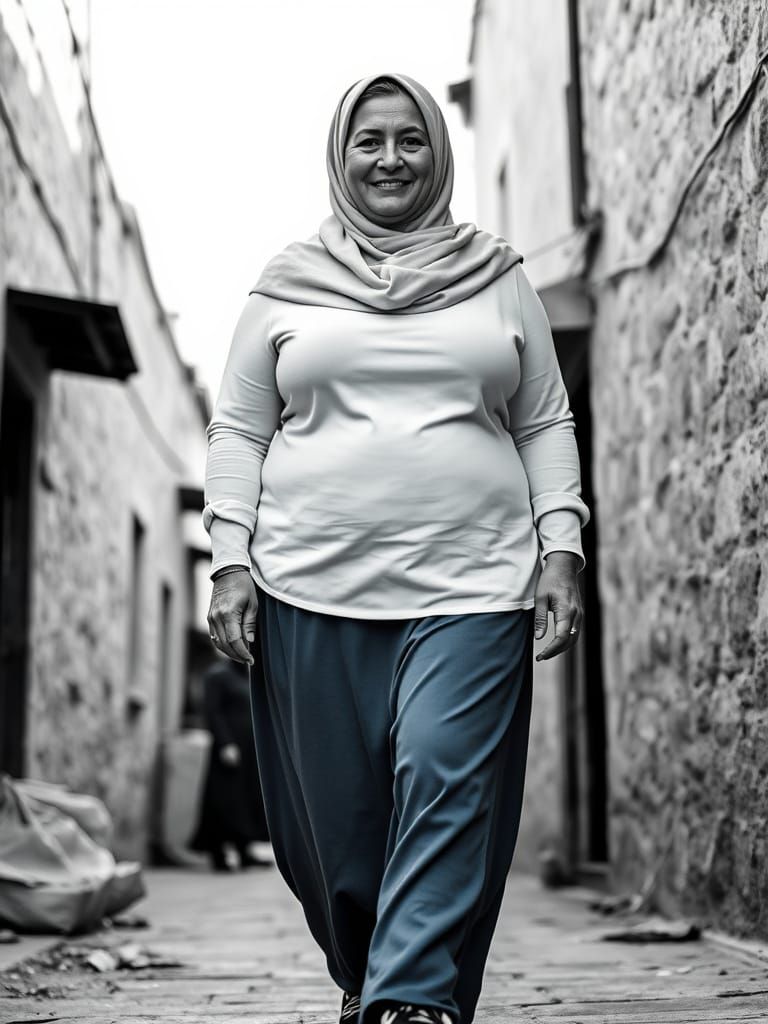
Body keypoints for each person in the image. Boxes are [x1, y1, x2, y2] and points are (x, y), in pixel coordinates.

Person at [204, 73, 589, 1024]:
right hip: (310, 586)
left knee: (444, 774)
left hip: (474, 583)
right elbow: (239, 432)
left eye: (409, 139)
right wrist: (230, 559)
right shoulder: (287, 282)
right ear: (340, 157)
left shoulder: (497, 276)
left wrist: (561, 547)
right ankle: (367, 973)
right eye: (368, 141)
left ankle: (410, 1000)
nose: (389, 158)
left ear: (438, 153)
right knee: (338, 829)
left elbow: (543, 419)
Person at [189, 651, 271, 871]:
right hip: (228, 750)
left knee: (245, 800)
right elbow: (212, 712)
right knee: (223, 801)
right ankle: (218, 854)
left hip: (248, 751)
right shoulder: (217, 675)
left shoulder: (247, 676)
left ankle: (244, 851)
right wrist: (225, 743)